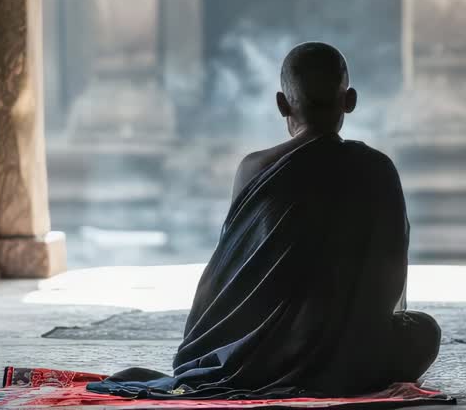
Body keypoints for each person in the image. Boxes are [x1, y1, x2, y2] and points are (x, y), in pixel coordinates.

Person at [88, 42, 441, 400]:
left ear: (282, 104)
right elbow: (390, 277)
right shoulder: (376, 169)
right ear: (349, 101)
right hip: (343, 366)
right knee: (425, 331)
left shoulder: (253, 169)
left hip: (248, 359)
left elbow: (227, 278)